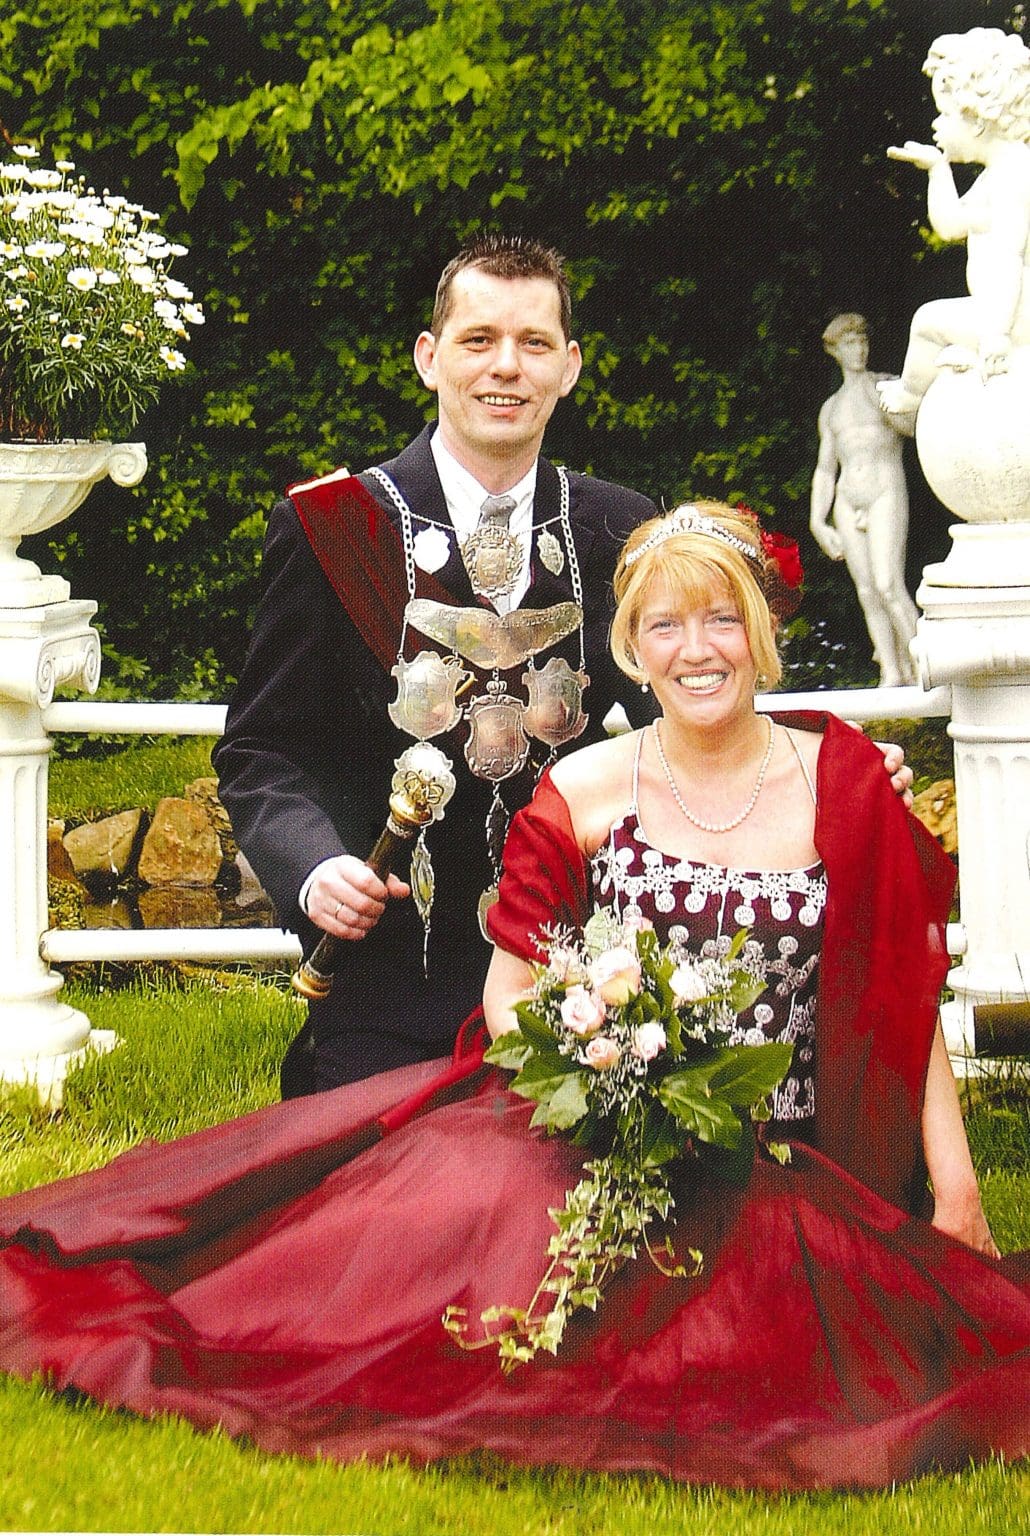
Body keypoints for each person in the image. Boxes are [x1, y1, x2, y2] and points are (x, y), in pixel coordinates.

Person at [0, 504, 1026, 1492]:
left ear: (761, 635)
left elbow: (905, 998)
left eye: (722, 619)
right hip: (606, 1132)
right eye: (664, 625)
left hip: (787, 1153)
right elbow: (511, 996)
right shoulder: (585, 789)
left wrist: (956, 1188)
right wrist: (612, 1081)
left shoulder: (848, 779)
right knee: (411, 1309)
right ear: (632, 649)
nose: (696, 650)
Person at [213, 235, 912, 1098]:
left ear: (569, 367)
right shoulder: (333, 526)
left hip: (583, 979)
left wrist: (827, 769)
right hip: (389, 988)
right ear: (429, 358)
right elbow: (261, 751)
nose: (506, 366)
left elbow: (694, 709)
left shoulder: (617, 525)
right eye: (478, 339)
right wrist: (316, 869)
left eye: (534, 343)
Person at [877, 27, 1030, 419]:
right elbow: (950, 225)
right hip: (1002, 311)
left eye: (944, 114)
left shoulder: (1015, 176)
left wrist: (996, 334)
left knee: (927, 322)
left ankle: (910, 396)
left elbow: (1011, 256)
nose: (936, 124)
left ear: (977, 120)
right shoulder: (998, 174)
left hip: (1015, 317)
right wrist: (937, 170)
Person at [810, 313, 919, 688]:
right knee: (868, 591)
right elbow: (826, 469)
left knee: (889, 584)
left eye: (862, 342)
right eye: (849, 343)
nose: (858, 350)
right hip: (847, 498)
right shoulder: (832, 408)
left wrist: (887, 405)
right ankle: (891, 670)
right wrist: (817, 521)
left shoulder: (884, 387)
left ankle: (926, 664)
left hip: (884, 488)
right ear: (835, 351)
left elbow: (912, 429)